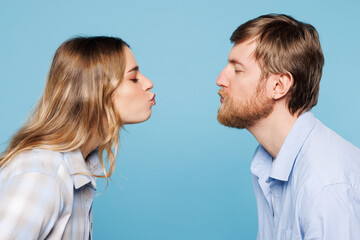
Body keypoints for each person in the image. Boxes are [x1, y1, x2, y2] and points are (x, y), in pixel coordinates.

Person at [216, 14, 360, 239]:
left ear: (278, 86)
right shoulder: (268, 163)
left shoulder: (325, 186)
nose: (221, 80)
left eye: (238, 70)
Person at [0, 36, 155, 239]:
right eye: (133, 78)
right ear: (97, 91)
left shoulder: (80, 165)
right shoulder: (44, 173)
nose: (149, 83)